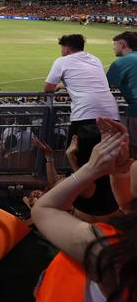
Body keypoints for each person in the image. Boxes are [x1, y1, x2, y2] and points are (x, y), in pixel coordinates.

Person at [32, 118, 136, 301]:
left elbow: (45, 208)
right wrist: (119, 172)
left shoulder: (107, 251)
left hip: (79, 225)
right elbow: (128, 205)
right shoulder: (119, 202)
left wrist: (89, 168)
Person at [44, 34, 119, 140]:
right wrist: (63, 85)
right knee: (108, 154)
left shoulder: (62, 61)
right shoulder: (95, 59)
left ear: (66, 48)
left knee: (78, 153)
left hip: (86, 114)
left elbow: (48, 88)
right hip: (111, 113)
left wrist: (59, 85)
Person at [106, 31, 137, 154]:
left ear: (122, 44)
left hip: (135, 110)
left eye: (115, 44)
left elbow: (103, 85)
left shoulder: (122, 62)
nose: (114, 48)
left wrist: (63, 85)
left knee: (134, 149)